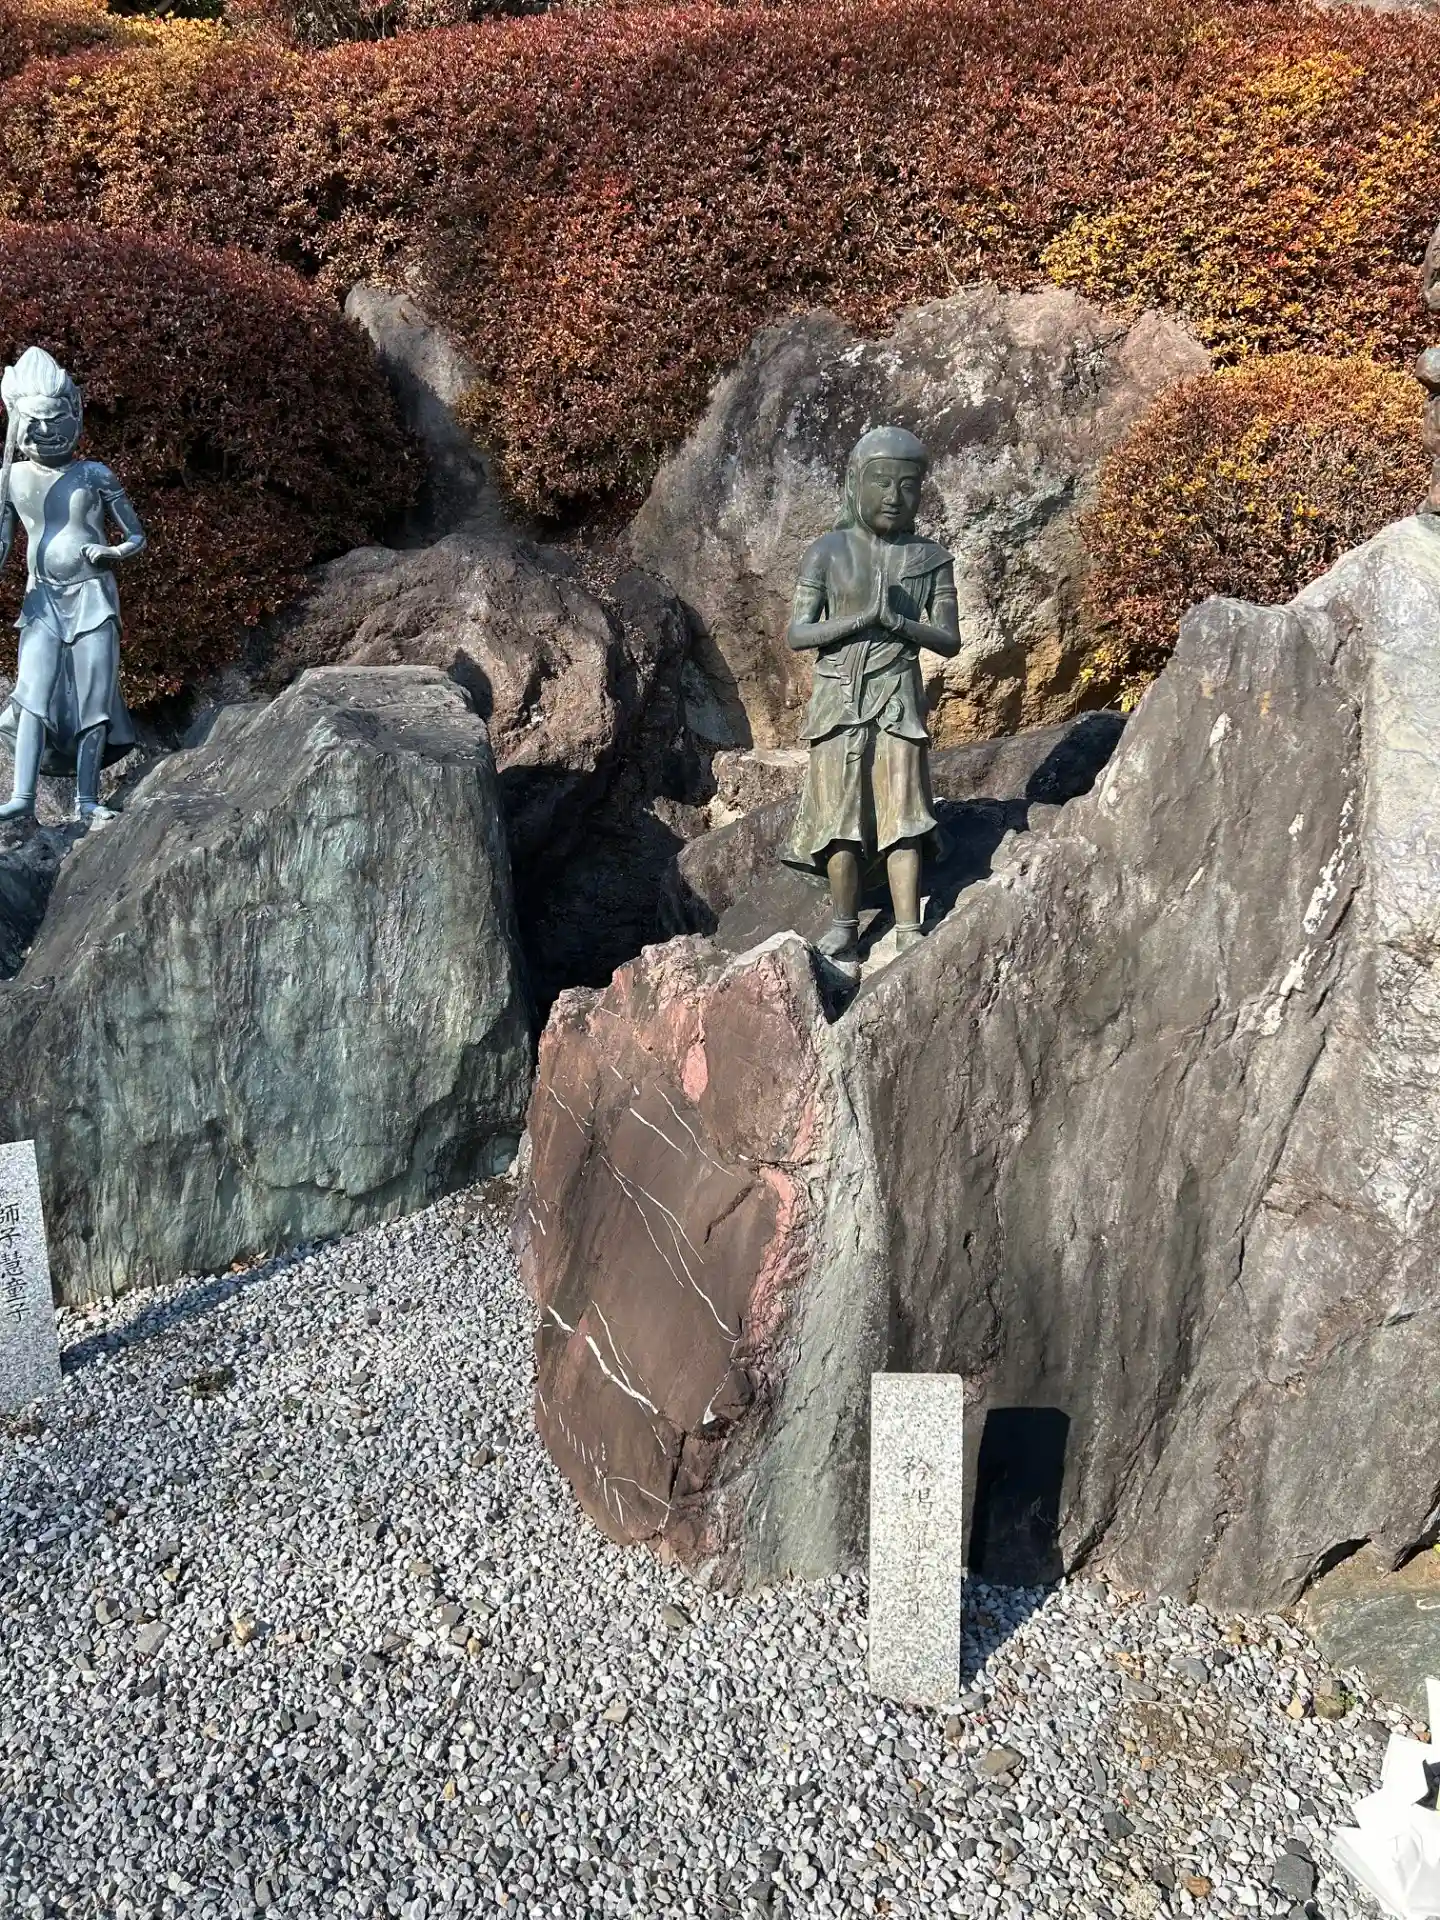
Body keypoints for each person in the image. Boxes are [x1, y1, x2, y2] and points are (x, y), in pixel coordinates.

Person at [781, 424, 960, 963]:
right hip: (837, 696)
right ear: (855, 483)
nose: (894, 496)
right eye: (881, 482)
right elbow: (798, 633)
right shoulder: (826, 552)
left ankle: (907, 926)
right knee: (840, 818)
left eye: (908, 485)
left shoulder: (931, 557)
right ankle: (844, 925)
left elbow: (949, 639)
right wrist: (860, 619)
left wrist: (899, 624)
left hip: (898, 694)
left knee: (904, 813)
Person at [0, 345, 143, 827]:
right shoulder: (11, 477)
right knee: (31, 692)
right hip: (40, 599)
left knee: (93, 697)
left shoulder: (94, 474)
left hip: (93, 595)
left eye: (55, 419)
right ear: (16, 424)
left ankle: (87, 799)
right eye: (33, 422)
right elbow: (4, 543)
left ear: (75, 415)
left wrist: (112, 553)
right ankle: (22, 796)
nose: (45, 431)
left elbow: (137, 536)